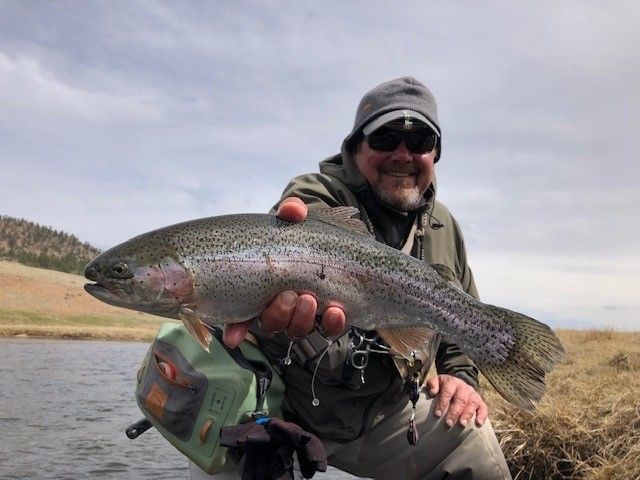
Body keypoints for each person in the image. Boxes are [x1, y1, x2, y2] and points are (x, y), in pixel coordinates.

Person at [202, 77, 512, 479]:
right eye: (385, 137)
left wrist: (461, 376)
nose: (402, 153)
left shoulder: (443, 227)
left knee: (474, 438)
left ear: (434, 153)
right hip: (287, 410)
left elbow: (462, 312)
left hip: (387, 416)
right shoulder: (319, 194)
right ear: (355, 148)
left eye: (419, 140)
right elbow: (299, 211)